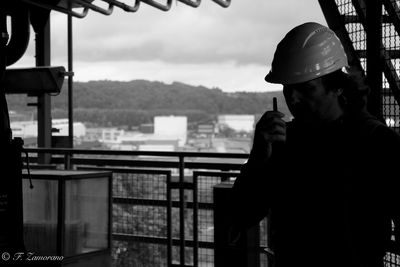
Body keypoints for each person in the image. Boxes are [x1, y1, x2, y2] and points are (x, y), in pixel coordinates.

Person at [230, 22, 400, 267]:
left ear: (337, 87)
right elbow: (242, 213)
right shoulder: (284, 143)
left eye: (305, 89)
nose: (293, 99)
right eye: (287, 89)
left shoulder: (377, 143)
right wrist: (258, 158)